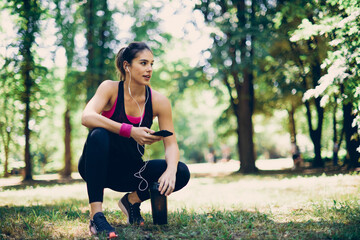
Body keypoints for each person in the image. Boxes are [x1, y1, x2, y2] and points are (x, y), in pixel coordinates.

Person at [78, 42, 190, 238]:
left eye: (152, 64)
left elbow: (171, 144)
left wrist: (170, 171)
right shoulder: (110, 88)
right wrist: (130, 131)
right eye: (143, 63)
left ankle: (131, 201)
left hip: (131, 173)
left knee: (181, 171)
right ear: (126, 66)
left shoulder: (159, 101)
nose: (149, 69)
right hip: (97, 168)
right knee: (98, 134)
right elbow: (87, 117)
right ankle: (96, 215)